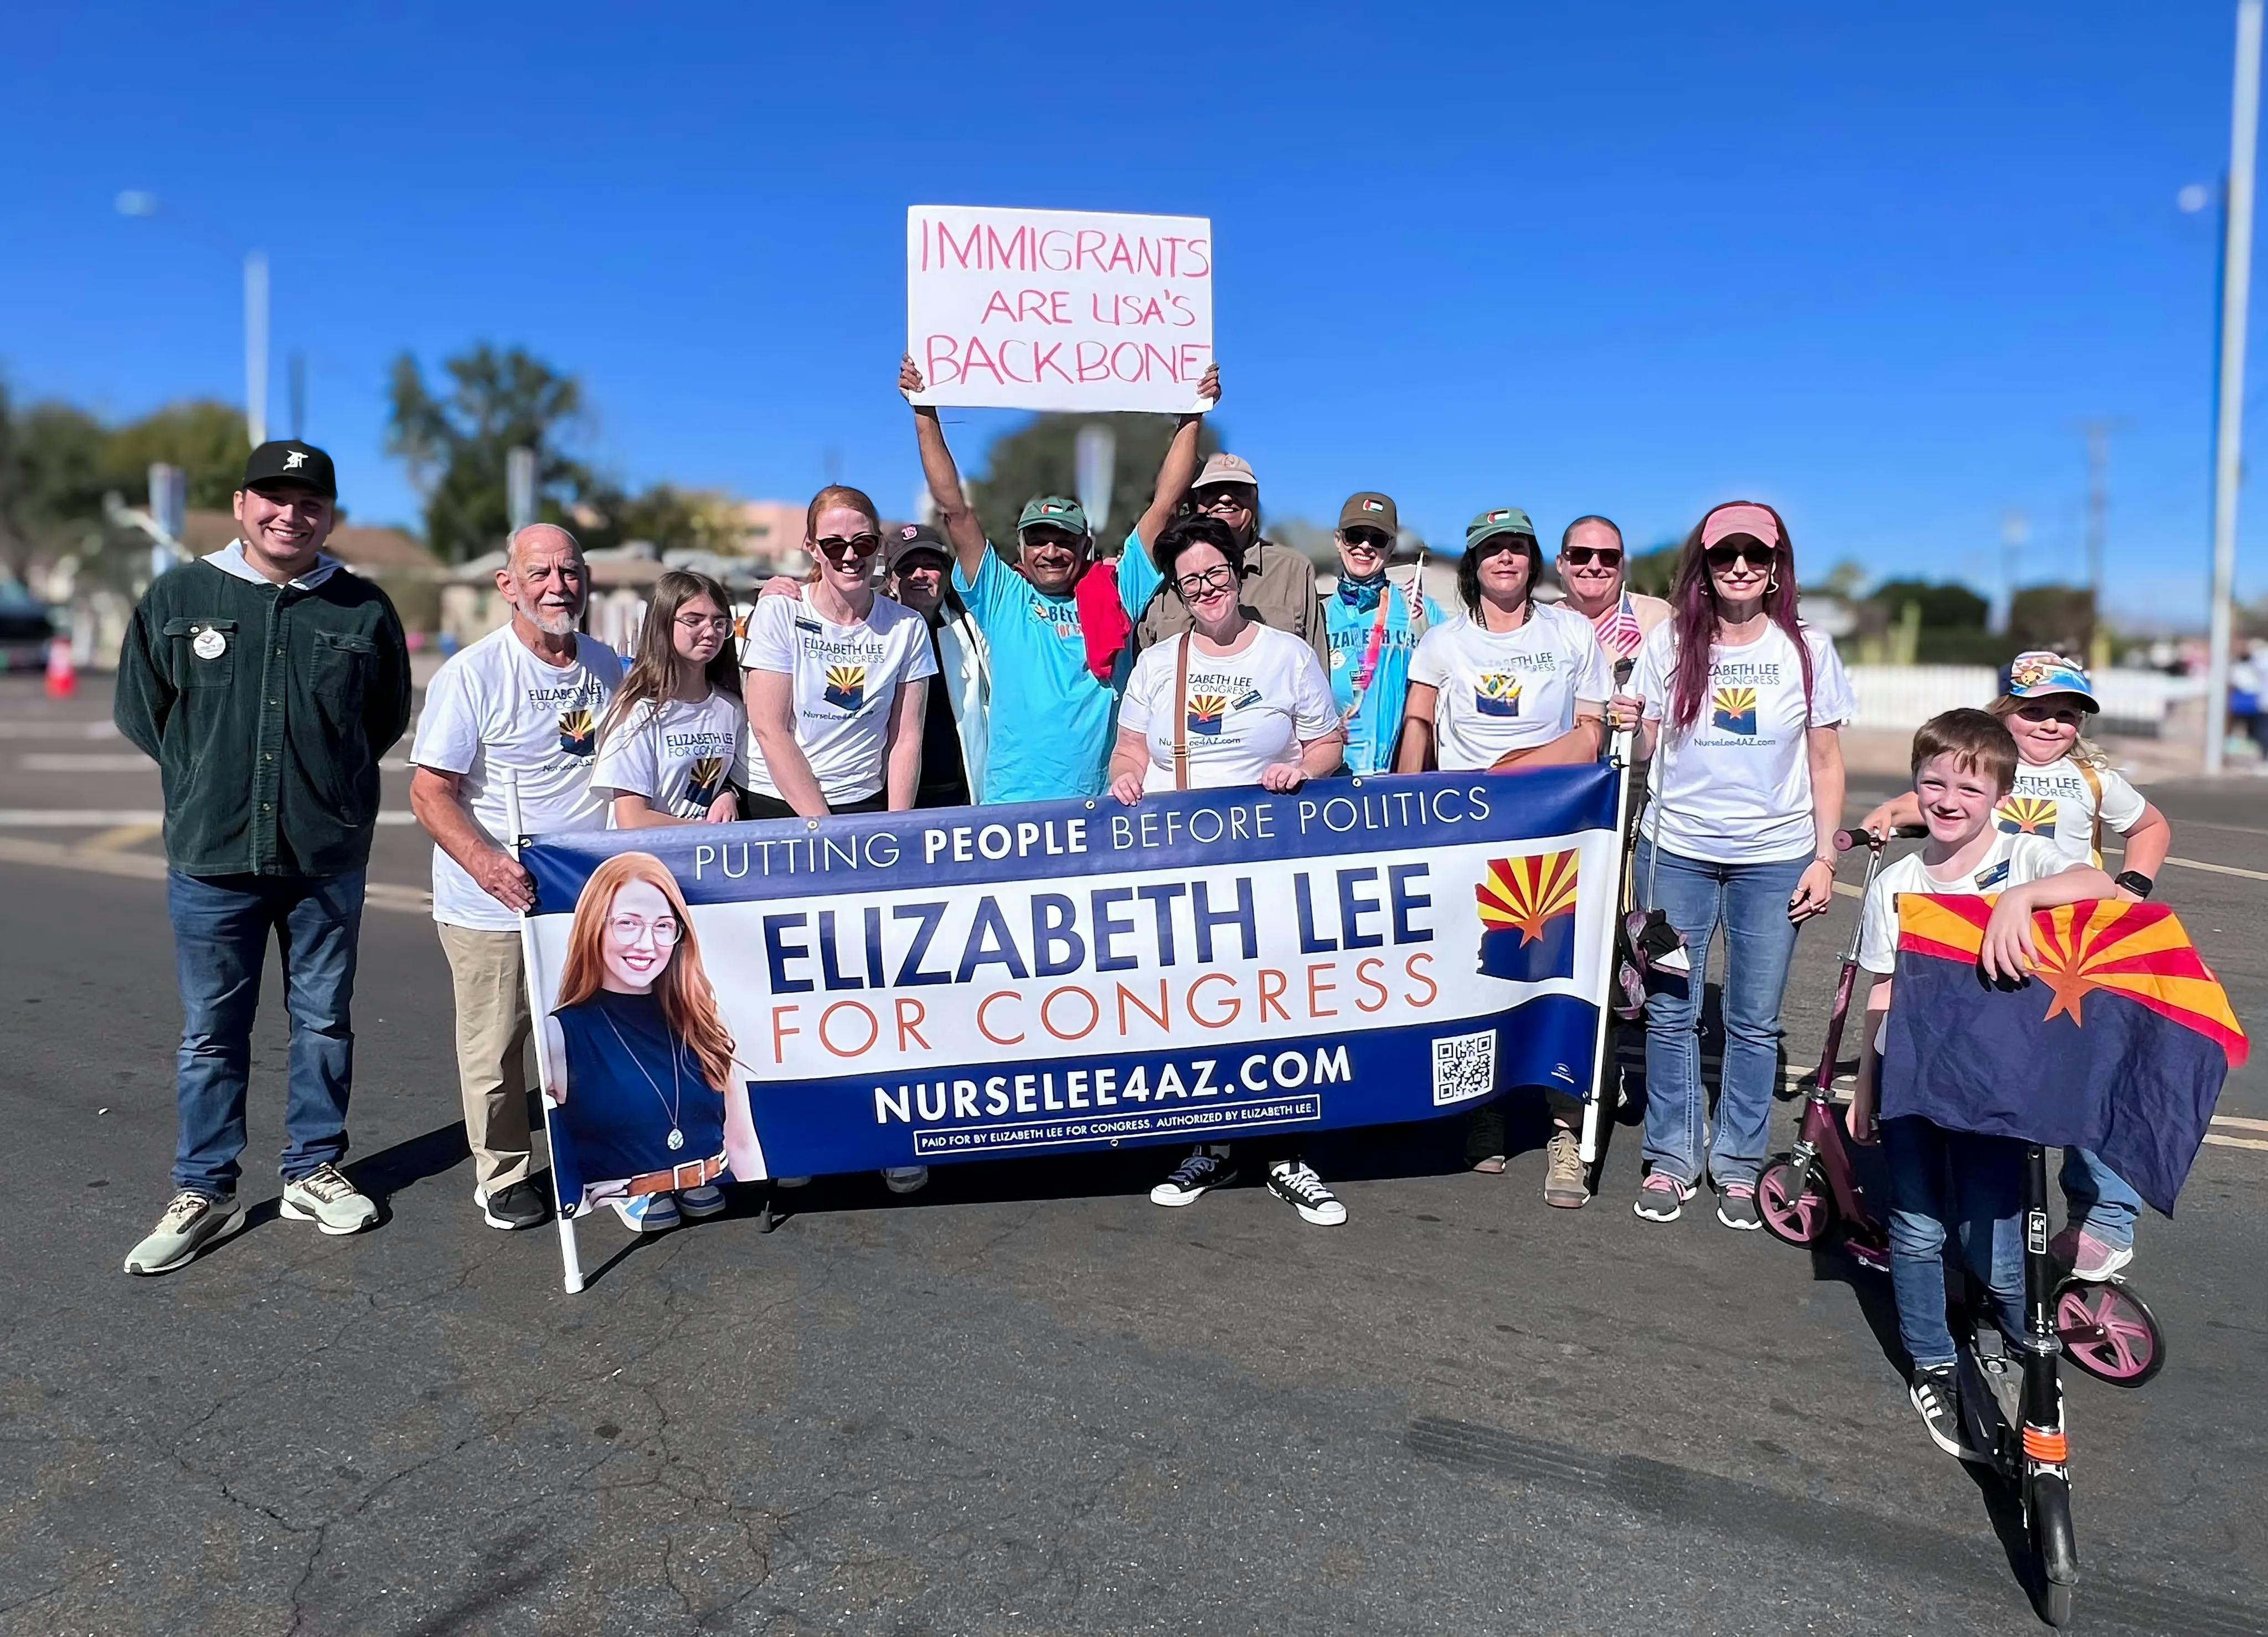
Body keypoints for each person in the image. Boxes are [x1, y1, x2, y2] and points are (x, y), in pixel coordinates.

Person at [115, 440, 411, 1274]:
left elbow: (381, 718)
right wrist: (207, 780)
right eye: (274, 498)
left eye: (310, 501)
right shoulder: (181, 596)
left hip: (325, 857)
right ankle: (203, 1188)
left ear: (330, 516)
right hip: (213, 858)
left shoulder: (362, 610)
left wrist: (328, 793)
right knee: (212, 1033)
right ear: (242, 505)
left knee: (322, 1021)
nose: (292, 513)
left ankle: (312, 1168)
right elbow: (145, 712)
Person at [1843, 709, 2112, 1455]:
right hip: (1913, 1080)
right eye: (1932, 783)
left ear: (2000, 792)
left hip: (1999, 1085)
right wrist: (1868, 1084)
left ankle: (2027, 1334)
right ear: (1913, 788)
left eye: (1969, 785)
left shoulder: (2026, 859)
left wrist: (2023, 902)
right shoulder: (1898, 881)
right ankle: (1931, 1358)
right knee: (1918, 1226)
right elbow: (1884, 992)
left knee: (1996, 1228)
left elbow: (2109, 890)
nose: (1948, 798)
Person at [1857, 650, 2173, 1279]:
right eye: (2036, 712)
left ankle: (2104, 1216)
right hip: (1984, 951)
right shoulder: (1985, 767)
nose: (2052, 725)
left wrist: (2129, 892)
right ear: (2006, 712)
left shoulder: (2093, 779)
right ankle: (1978, 1222)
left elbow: (2152, 827)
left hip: (2067, 951)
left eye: (2067, 715)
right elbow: (1935, 796)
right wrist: (1887, 815)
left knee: (2086, 1076)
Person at [1607, 501, 1854, 1229]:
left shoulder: (1808, 649)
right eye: (1725, 556)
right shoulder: (1670, 643)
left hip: (1773, 864)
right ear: (1705, 567)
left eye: (1756, 555)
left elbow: (1827, 760)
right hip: (1674, 854)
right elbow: (1648, 747)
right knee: (1671, 1012)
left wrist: (1825, 858)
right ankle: (1671, 1158)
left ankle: (1739, 1164)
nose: (1740, 567)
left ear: (1777, 566)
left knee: (1753, 1022)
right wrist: (1632, 723)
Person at [1107, 516, 1349, 1226]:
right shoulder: (1158, 661)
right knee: (1196, 1002)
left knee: (1271, 998)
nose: (1205, 589)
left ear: (1238, 574)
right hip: (1176, 862)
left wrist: (1300, 768)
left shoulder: (1286, 655)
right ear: (1177, 592)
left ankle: (1282, 1151)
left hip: (1264, 860)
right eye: (1190, 581)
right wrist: (1125, 779)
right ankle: (1211, 1140)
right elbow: (1128, 752)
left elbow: (1327, 741)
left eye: (1215, 573)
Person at [409, 523, 623, 1233]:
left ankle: (603, 1153)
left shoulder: (611, 666)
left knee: (595, 1037)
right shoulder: (472, 675)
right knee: (497, 1046)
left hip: (584, 898)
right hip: (493, 900)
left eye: (570, 572)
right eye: (540, 573)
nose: (557, 586)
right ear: (509, 585)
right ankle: (501, 1172)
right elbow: (430, 792)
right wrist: (488, 863)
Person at [1395, 507, 1613, 1203]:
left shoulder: (1571, 631)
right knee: (1474, 972)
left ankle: (1562, 1131)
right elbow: (1420, 725)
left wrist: (1506, 770)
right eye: (1492, 550)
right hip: (1468, 834)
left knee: (1552, 975)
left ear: (1532, 560)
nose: (1506, 559)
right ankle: (1481, 1111)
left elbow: (1588, 738)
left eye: (1518, 548)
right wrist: (1403, 806)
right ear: (1474, 564)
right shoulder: (1441, 641)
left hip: (1553, 829)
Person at [901, 354, 1218, 801]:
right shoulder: (1001, 595)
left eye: (1065, 541)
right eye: (1039, 541)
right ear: (1021, 551)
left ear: (1086, 548)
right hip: (1011, 804)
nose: (1052, 552)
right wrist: (924, 411)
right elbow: (954, 507)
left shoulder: (1116, 589)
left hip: (1105, 801)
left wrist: (1193, 412)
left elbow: (1164, 506)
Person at [540, 853, 756, 1233]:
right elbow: (565, 1150)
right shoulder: (562, 1032)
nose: (647, 943)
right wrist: (584, 1198)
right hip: (621, 1186)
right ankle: (639, 1192)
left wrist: (758, 1191)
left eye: (663, 926)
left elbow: (740, 1141)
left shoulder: (705, 1017)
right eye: (627, 924)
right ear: (595, 926)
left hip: (709, 1176)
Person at [739, 485, 935, 820]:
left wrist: (899, 824)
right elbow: (770, 730)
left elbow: (905, 739)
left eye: (863, 543)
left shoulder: (908, 626)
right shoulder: (782, 612)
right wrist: (826, 828)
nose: (849, 556)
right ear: (812, 548)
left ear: (878, 546)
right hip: (777, 800)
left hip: (863, 798)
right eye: (833, 545)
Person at [1131, 451, 1332, 675]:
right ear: (1195, 502)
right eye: (1211, 491)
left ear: (1255, 502)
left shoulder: (1293, 570)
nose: (1226, 498)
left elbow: (1317, 669)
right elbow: (1140, 668)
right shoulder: (1164, 573)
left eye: (1239, 490)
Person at [590, 569, 746, 828]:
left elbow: (733, 778)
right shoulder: (637, 712)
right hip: (648, 863)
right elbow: (632, 819)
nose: (710, 631)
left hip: (706, 860)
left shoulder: (732, 708)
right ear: (663, 623)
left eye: (719, 622)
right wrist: (710, 833)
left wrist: (729, 793)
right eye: (694, 620)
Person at [1323, 491, 1443, 775]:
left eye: (1377, 539)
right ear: (1338, 540)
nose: (1365, 546)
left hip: (1401, 779)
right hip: (1332, 779)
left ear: (1390, 548)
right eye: (1355, 535)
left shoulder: (1422, 612)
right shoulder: (1318, 613)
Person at [885, 522, 988, 808]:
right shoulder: (871, 632)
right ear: (891, 579)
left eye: (931, 564)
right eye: (907, 567)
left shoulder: (971, 629)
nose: (919, 574)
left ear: (947, 573)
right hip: (891, 798)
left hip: (959, 795)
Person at [1554, 514, 1671, 667]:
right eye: (1580, 555)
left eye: (1609, 556)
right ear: (1560, 564)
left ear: (1622, 565)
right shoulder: (1540, 627)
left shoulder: (1660, 618)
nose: (1594, 567)